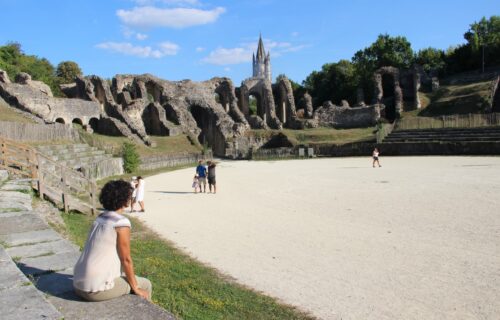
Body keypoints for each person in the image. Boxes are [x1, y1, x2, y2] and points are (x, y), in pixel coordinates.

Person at [73, 180, 151, 302]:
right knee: (145, 284)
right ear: (124, 199)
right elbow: (126, 259)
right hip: (95, 290)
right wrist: (136, 287)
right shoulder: (121, 223)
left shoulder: (100, 218)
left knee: (126, 278)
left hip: (78, 283)